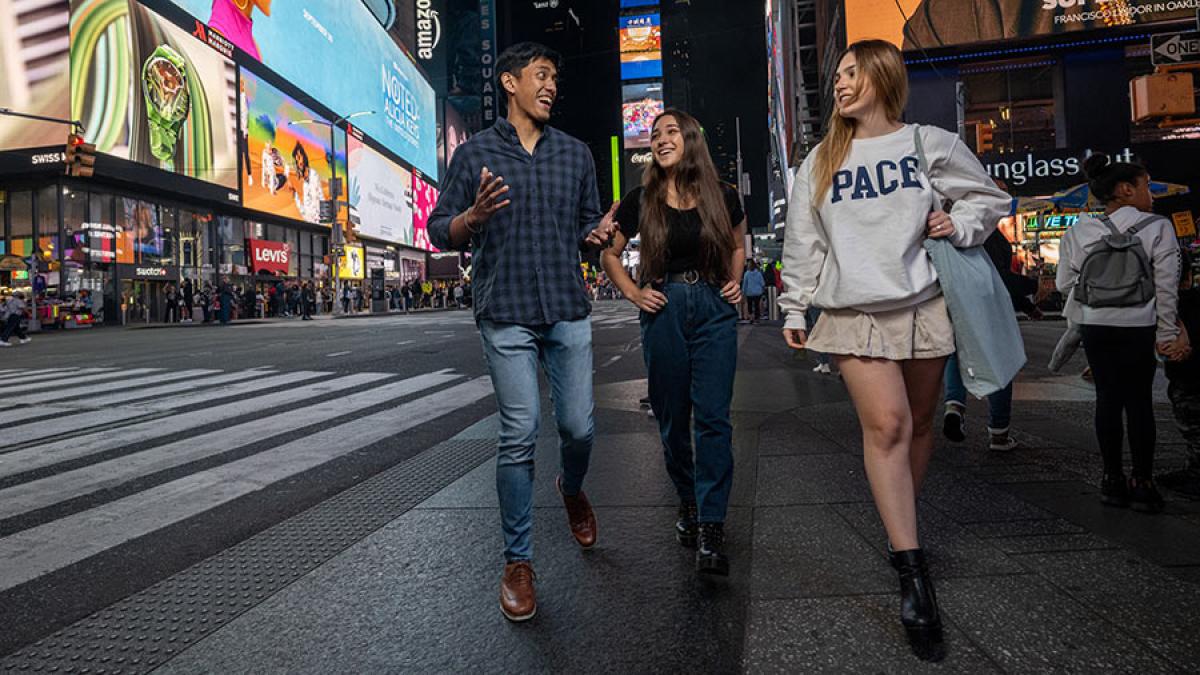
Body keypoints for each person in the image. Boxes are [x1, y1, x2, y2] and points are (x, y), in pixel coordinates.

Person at [779, 40, 1010, 661]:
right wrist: (795, 306)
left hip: (923, 304)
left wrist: (956, 224)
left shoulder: (927, 143)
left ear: (882, 75)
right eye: (838, 75)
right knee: (889, 425)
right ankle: (912, 570)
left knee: (920, 425)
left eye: (853, 71)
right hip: (854, 311)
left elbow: (990, 199)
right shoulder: (819, 161)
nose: (840, 83)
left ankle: (895, 525)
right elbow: (803, 243)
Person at [428, 41, 617, 623]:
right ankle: (518, 562)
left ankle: (571, 487)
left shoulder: (576, 154)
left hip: (565, 305)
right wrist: (472, 219)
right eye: (541, 75)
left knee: (579, 428)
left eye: (555, 77)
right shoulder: (475, 154)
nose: (552, 86)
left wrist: (598, 236)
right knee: (519, 431)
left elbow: (589, 223)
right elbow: (440, 229)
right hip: (505, 309)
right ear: (510, 83)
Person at [601, 109, 746, 576]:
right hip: (664, 310)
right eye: (656, 133)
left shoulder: (723, 195)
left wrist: (736, 280)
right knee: (671, 416)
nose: (661, 138)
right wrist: (632, 291)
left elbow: (739, 244)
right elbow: (610, 253)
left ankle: (711, 525)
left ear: (690, 140)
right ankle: (687, 497)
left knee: (713, 418)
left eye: (671, 132)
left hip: (713, 307)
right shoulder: (641, 198)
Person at [1056, 152, 1182, 514]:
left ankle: (1111, 480)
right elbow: (1167, 286)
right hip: (1138, 326)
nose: (1152, 194)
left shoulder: (1080, 230)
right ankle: (1143, 483)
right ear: (1125, 189)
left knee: (1107, 400)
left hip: (1096, 326)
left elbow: (1066, 282)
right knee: (1139, 402)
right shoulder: (1157, 226)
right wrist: (1167, 332)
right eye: (1146, 186)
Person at [942, 181, 1034, 452]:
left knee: (957, 355)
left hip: (954, 303)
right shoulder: (985, 233)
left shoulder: (948, 228)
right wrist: (1033, 288)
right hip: (988, 306)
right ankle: (999, 433)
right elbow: (1000, 278)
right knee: (1000, 364)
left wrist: (1029, 307)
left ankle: (954, 407)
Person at [1162, 249, 1200, 496]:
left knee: (1193, 427)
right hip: (1187, 373)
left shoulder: (1168, 306)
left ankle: (1196, 473)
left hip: (1186, 378)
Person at [290, 142, 324, 224]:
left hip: (319, 225)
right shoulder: (305, 184)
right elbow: (304, 213)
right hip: (311, 227)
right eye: (296, 160)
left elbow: (316, 205)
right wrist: (295, 195)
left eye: (299, 157)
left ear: (304, 157)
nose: (299, 162)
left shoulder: (313, 175)